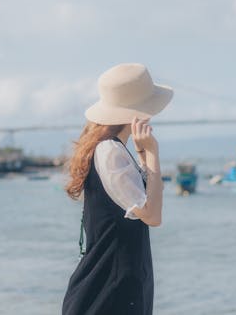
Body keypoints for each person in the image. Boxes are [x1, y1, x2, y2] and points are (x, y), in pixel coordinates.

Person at [62, 63, 173, 314]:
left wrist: (144, 154)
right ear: (138, 112)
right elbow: (153, 215)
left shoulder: (113, 150)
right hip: (110, 291)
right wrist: (153, 152)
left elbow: (151, 197)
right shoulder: (110, 152)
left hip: (115, 286)